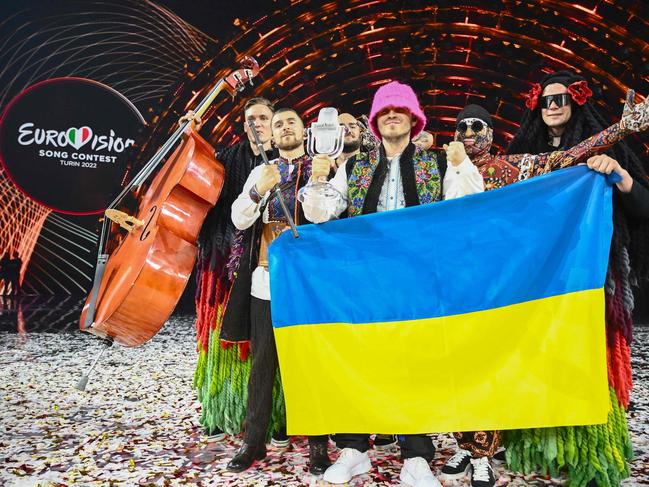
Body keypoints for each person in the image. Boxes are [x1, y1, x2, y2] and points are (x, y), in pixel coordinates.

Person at [303, 80, 484, 487]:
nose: (391, 115)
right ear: (374, 121)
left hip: (417, 284)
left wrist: (460, 165)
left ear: (414, 117)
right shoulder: (356, 166)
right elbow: (320, 213)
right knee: (357, 361)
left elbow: (469, 206)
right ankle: (354, 450)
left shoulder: (436, 163)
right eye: (384, 110)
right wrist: (317, 180)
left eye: (399, 109)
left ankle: (415, 456)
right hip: (362, 283)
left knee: (413, 366)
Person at [503, 70, 649, 487]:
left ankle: (592, 453)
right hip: (536, 282)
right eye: (546, 100)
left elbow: (644, 207)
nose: (554, 106)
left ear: (576, 103)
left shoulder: (607, 152)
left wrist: (618, 175)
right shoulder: (520, 156)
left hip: (589, 279)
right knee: (538, 361)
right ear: (536, 107)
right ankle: (537, 444)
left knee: (588, 363)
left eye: (562, 98)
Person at [224, 107, 331, 475]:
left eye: (292, 123)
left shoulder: (323, 166)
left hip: (308, 283)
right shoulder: (261, 170)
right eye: (278, 123)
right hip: (266, 276)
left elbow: (321, 215)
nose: (285, 128)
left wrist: (318, 180)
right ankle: (253, 442)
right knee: (263, 365)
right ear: (271, 132)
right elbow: (239, 218)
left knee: (309, 364)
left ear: (305, 131)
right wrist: (258, 190)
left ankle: (318, 445)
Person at [188, 97, 285, 444]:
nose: (257, 124)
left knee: (269, 344)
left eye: (264, 117)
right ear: (243, 126)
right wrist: (189, 140)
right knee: (222, 341)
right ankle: (220, 413)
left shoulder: (289, 161)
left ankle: (274, 416)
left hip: (268, 266)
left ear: (274, 125)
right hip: (223, 259)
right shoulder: (223, 160)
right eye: (250, 119)